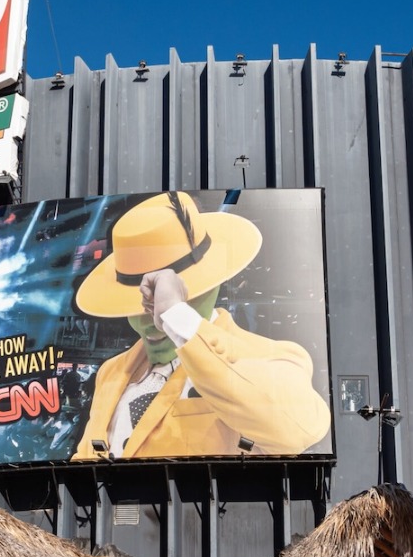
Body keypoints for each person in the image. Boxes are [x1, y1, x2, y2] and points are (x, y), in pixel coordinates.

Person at [71, 191, 330, 460]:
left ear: (212, 283)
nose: (152, 320)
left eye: (160, 302)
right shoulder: (110, 374)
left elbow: (296, 430)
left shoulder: (271, 357)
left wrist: (178, 317)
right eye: (137, 305)